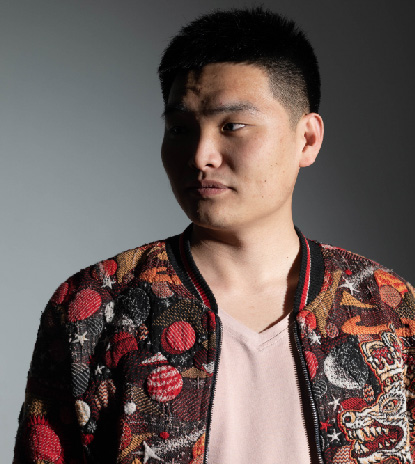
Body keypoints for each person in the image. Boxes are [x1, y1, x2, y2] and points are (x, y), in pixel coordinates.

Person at [14, 7, 415, 464]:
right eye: (180, 129)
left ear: (307, 139)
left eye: (232, 126)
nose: (200, 155)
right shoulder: (94, 307)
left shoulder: (388, 308)